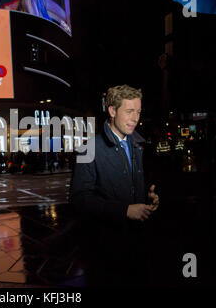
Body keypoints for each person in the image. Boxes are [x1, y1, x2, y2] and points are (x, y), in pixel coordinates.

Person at [69, 84, 160, 287]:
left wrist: (149, 197)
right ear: (112, 110)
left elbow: (131, 185)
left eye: (138, 111)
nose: (135, 118)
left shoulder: (138, 145)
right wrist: (124, 210)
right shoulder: (88, 149)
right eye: (129, 111)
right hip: (107, 251)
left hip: (139, 246)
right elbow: (79, 199)